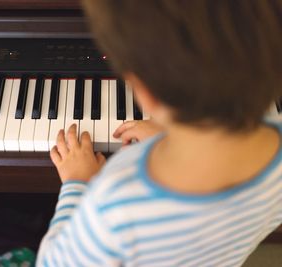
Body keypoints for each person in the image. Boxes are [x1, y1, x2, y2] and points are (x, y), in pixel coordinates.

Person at [37, 0, 282, 266]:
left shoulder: (116, 202)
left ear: (145, 96)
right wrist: (170, 137)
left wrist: (78, 183)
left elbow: (52, 262)